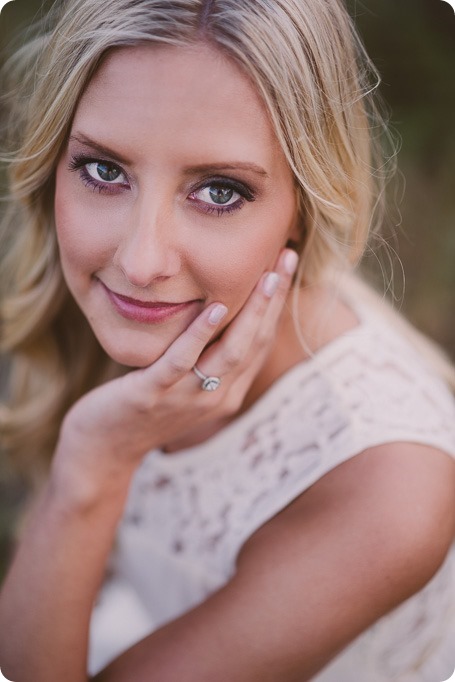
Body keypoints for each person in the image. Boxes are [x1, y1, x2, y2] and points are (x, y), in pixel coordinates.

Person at [0, 0, 454, 680]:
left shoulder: (392, 486)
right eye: (103, 170)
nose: (140, 261)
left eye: (218, 191)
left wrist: (91, 467)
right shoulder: (155, 310)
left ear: (301, 205)